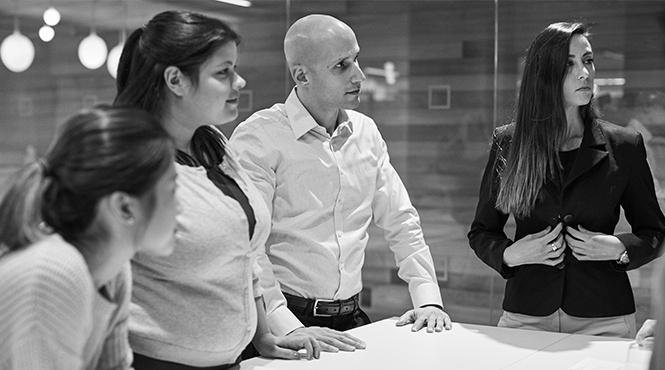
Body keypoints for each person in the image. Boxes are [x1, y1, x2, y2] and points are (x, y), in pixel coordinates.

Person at [229, 14, 452, 351]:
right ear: (301, 75)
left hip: (352, 319)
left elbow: (402, 221)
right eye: (342, 65)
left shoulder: (367, 132)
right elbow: (249, 246)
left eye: (357, 59)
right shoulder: (258, 138)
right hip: (281, 323)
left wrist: (428, 300)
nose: (359, 75)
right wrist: (284, 325)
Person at [114, 10, 319, 369]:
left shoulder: (212, 143)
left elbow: (245, 256)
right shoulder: (130, 162)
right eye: (223, 73)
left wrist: (265, 334)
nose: (239, 82)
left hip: (230, 360)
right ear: (176, 80)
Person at [468, 21, 665, 338]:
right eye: (570, 64)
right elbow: (482, 231)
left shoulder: (625, 145)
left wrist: (617, 247)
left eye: (587, 60)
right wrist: (509, 255)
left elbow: (654, 232)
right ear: (545, 75)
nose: (585, 73)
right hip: (525, 315)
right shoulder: (509, 142)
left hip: (604, 317)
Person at [0, 105, 178, 369]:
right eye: (173, 189)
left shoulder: (114, 273)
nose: (181, 207)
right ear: (124, 207)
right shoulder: (53, 274)